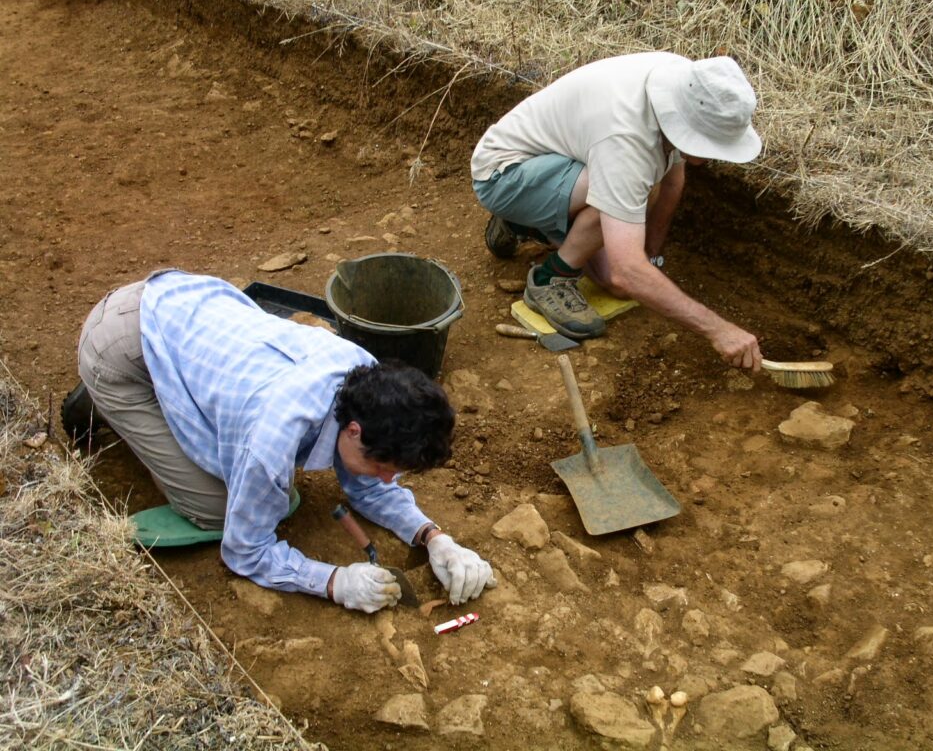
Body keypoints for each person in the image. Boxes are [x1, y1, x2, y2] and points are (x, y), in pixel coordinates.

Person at [73, 270, 495, 613]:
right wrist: (333, 582)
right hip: (121, 347)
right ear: (353, 431)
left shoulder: (369, 378)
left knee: (277, 489)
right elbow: (244, 550)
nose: (388, 479)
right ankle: (108, 395)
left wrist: (434, 537)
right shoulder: (270, 438)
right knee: (218, 509)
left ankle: (147, 390)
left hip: (187, 309)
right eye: (385, 467)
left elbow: (367, 485)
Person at [472, 52, 764, 372]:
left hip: (553, 158)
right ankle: (549, 278)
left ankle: (534, 219)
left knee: (616, 266)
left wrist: (650, 257)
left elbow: (673, 183)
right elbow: (626, 273)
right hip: (503, 174)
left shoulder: (687, 84)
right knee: (620, 217)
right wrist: (718, 330)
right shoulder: (627, 140)